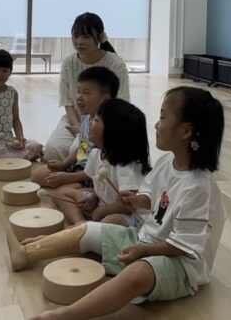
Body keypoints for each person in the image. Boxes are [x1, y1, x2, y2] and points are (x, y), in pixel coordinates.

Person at [8, 86, 225, 320]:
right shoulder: (166, 163)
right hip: (144, 239)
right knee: (88, 229)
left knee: (138, 274)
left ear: (186, 131)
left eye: (162, 117)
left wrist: (143, 251)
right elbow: (149, 196)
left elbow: (183, 245)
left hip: (180, 264)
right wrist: (136, 200)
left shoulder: (199, 186)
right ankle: (26, 253)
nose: (156, 124)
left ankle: (63, 316)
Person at [49, 98, 151, 225]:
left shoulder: (126, 166)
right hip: (102, 204)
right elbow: (97, 184)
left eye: (96, 120)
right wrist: (93, 199)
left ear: (113, 132)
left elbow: (127, 206)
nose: (90, 122)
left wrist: (102, 211)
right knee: (61, 193)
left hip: (125, 215)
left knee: (113, 220)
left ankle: (88, 229)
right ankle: (80, 223)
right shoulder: (95, 154)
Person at [44, 13, 130, 161]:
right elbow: (67, 101)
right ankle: (72, 165)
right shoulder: (69, 63)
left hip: (103, 123)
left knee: (79, 151)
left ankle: (75, 167)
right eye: (76, 36)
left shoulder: (116, 64)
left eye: (86, 37)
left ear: (100, 37)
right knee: (52, 150)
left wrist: (85, 128)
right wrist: (78, 125)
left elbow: (120, 104)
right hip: (74, 119)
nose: (79, 42)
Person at [31, 66, 119, 189]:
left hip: (95, 177)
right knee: (38, 175)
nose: (79, 97)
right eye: (78, 91)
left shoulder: (108, 126)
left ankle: (81, 192)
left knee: (67, 190)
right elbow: (82, 150)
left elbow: (103, 169)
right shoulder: (86, 119)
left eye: (86, 93)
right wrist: (64, 164)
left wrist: (68, 177)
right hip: (79, 169)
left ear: (105, 99)